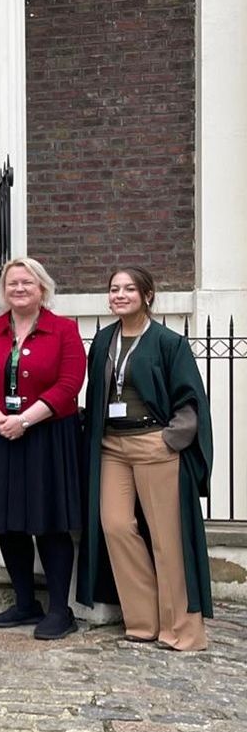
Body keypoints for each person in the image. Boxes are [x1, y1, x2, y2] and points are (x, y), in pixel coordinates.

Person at [76, 267, 213, 651]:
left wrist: (170, 441)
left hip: (155, 445)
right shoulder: (103, 341)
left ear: (147, 295)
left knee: (169, 539)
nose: (120, 295)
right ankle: (142, 620)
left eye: (129, 289)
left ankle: (181, 629)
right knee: (116, 525)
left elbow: (190, 401)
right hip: (112, 448)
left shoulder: (169, 342)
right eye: (114, 289)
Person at [0, 257, 85, 641]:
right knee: (7, 521)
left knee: (47, 522)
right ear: (3, 291)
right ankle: (25, 602)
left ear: (42, 288)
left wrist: (25, 419)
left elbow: (69, 383)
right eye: (12, 283)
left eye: (26, 283)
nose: (19, 289)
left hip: (46, 436)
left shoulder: (64, 330)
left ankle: (60, 610)